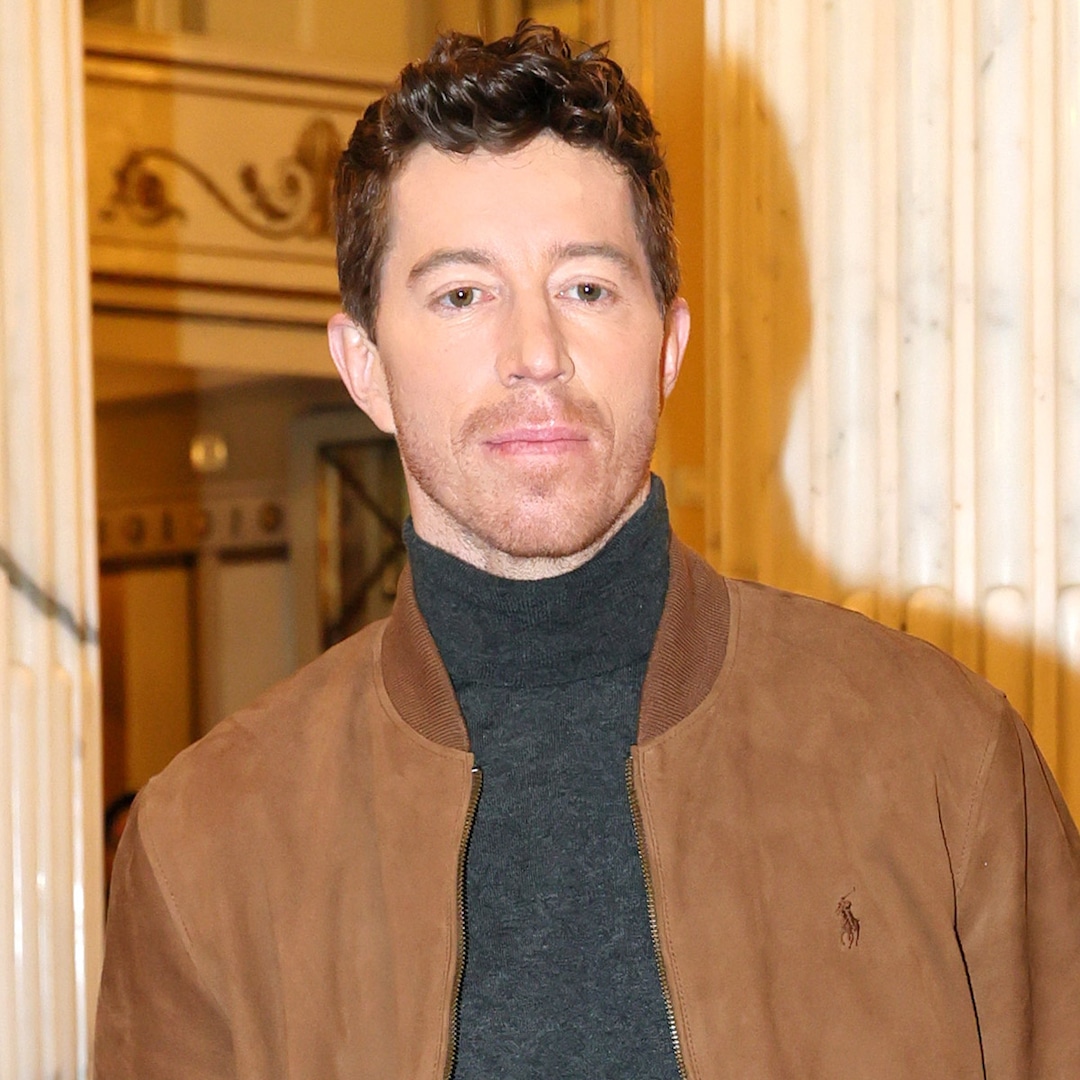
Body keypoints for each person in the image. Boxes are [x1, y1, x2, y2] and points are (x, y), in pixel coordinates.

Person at [95, 22, 1080, 1080]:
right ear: (364, 366)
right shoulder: (206, 843)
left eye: (587, 288)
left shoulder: (943, 760)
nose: (536, 354)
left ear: (667, 346)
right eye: (462, 294)